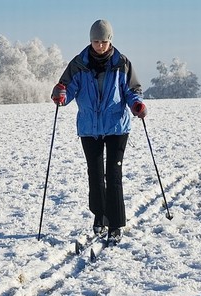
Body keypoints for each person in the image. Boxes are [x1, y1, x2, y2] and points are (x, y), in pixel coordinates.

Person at [51, 19, 146, 243]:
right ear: (90, 40)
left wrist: (136, 105)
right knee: (95, 175)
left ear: (110, 40)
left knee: (113, 174)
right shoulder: (78, 64)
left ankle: (115, 224)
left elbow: (132, 90)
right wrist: (60, 95)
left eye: (104, 41)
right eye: (96, 41)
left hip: (116, 127)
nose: (100, 46)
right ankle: (100, 217)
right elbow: (66, 89)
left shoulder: (122, 63)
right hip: (89, 128)